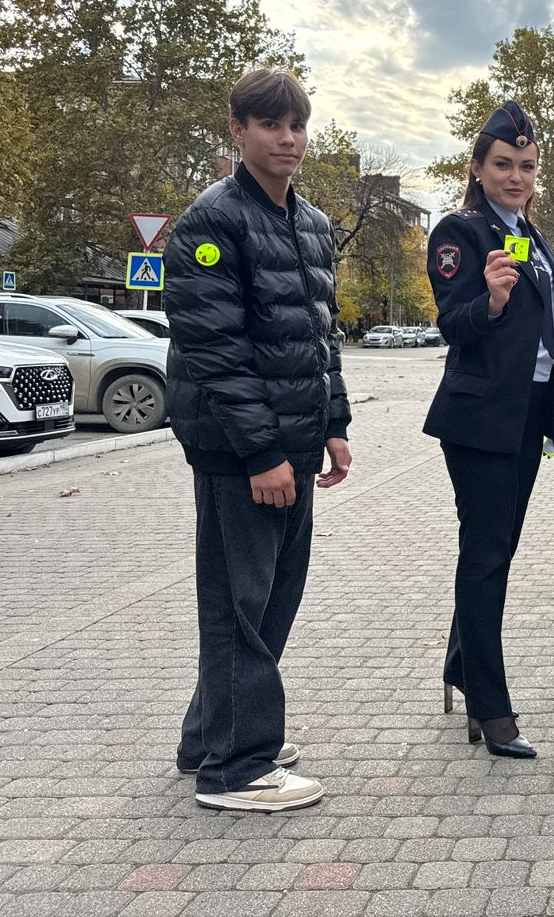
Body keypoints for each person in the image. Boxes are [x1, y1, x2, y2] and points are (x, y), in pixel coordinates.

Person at [165, 67, 352, 813]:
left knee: (272, 598)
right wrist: (262, 453)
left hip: (295, 444)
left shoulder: (311, 224)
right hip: (241, 453)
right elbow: (216, 351)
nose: (287, 139)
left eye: (296, 125)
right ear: (238, 131)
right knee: (238, 605)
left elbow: (321, 337)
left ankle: (210, 739)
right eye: (270, 124)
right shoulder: (213, 222)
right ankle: (237, 769)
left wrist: (334, 425)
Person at [423, 100, 554, 760]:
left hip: (528, 413)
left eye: (527, 166)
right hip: (480, 417)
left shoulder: (532, 236)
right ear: (478, 168)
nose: (516, 177)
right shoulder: (460, 232)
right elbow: (453, 325)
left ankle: (461, 664)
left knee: (498, 552)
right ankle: (490, 704)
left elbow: (547, 340)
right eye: (504, 164)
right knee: (483, 558)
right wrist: (493, 300)